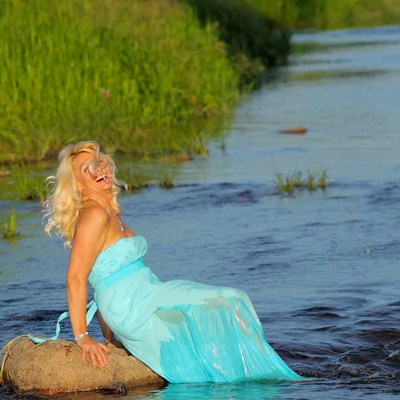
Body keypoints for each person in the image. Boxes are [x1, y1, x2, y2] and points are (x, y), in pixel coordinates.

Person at [43, 140, 303, 384]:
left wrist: (111, 337)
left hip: (144, 295)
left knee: (223, 306)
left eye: (100, 163)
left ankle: (247, 378)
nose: (99, 170)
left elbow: (104, 275)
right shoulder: (94, 215)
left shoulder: (108, 212)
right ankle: (260, 381)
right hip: (133, 306)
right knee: (229, 299)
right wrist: (82, 337)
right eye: (87, 169)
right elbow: (76, 277)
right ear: (77, 185)